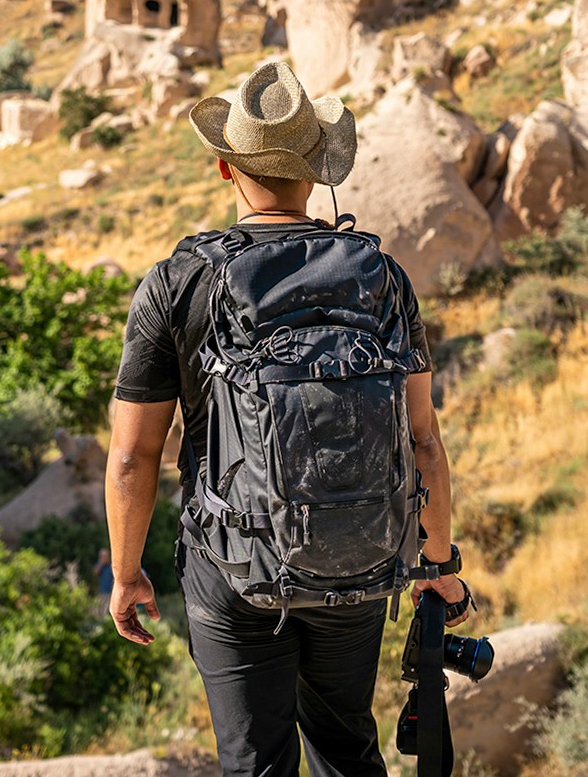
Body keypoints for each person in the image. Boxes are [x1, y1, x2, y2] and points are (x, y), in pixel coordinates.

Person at [107, 60, 469, 777]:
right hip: (360, 557)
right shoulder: (381, 277)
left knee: (256, 764)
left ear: (223, 168)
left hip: (230, 567)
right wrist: (438, 565)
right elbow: (423, 438)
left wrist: (125, 575)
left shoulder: (180, 280)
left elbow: (131, 456)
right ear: (317, 170)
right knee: (347, 751)